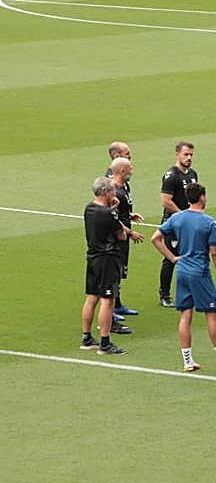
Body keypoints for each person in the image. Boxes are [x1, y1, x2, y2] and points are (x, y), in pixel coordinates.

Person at [151, 183, 216, 373]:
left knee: (185, 315)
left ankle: (187, 361)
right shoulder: (209, 222)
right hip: (199, 272)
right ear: (202, 197)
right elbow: (215, 253)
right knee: (212, 315)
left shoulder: (177, 217)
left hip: (182, 271)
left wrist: (173, 258)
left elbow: (155, 238)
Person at [80, 177, 129, 355]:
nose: (115, 193)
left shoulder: (89, 208)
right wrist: (114, 212)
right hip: (108, 259)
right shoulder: (108, 214)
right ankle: (105, 342)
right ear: (106, 192)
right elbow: (121, 235)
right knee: (108, 301)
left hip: (93, 257)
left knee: (92, 297)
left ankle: (86, 337)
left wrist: (112, 209)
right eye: (112, 191)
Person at [158, 140, 198, 308]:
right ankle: (164, 294)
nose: (189, 158)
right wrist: (183, 216)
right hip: (173, 224)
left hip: (187, 222)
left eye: (191, 155)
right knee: (170, 259)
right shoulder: (171, 175)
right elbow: (165, 201)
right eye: (185, 154)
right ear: (177, 154)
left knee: (189, 256)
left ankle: (188, 292)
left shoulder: (192, 174)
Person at [106, 142, 139, 323]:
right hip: (118, 237)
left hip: (124, 233)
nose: (131, 160)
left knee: (119, 272)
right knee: (114, 273)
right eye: (128, 155)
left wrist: (129, 214)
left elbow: (120, 211)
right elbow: (111, 216)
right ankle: (110, 311)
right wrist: (129, 232)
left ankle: (117, 304)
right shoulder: (113, 188)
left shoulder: (124, 185)